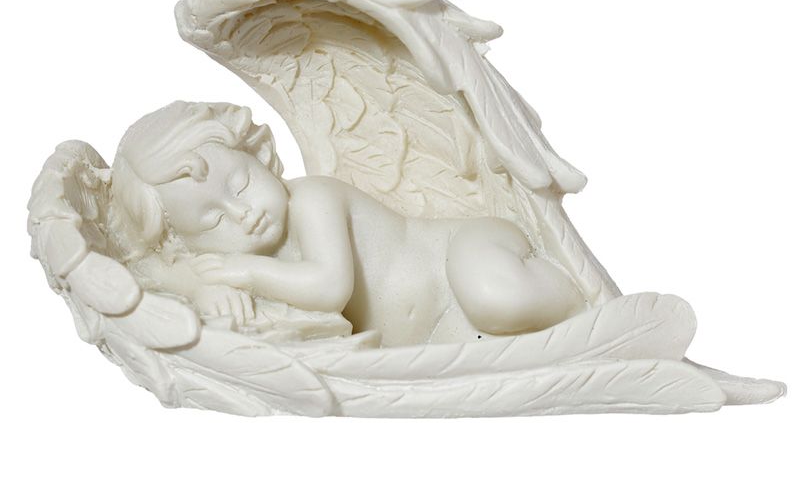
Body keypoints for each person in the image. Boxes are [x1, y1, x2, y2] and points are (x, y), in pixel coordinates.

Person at [110, 101, 584, 345]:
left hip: (459, 258)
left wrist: (247, 273)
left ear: (256, 154)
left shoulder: (311, 200)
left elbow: (329, 287)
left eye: (241, 185)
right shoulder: (228, 259)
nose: (243, 214)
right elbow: (153, 269)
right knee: (480, 367)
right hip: (438, 327)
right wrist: (200, 289)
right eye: (213, 220)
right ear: (189, 241)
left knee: (497, 298)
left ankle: (585, 307)